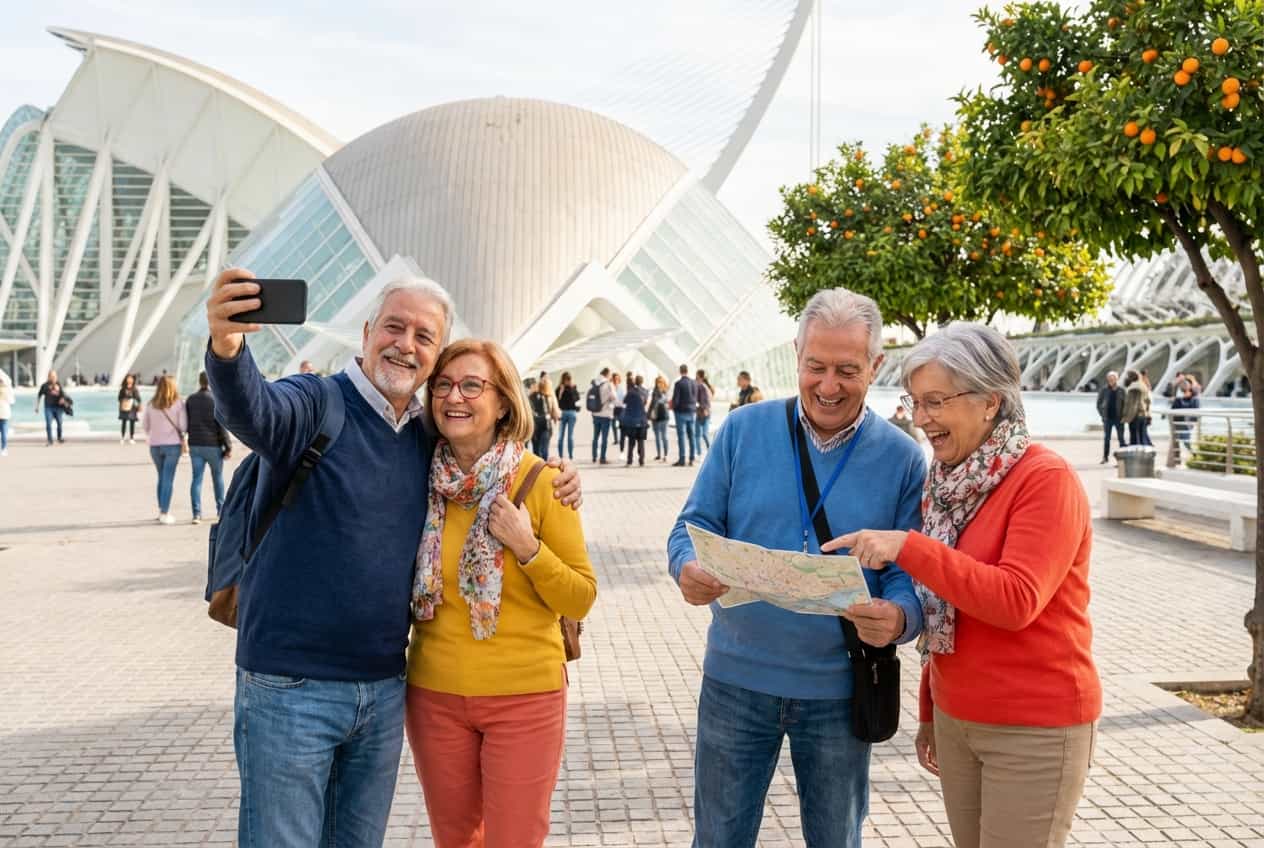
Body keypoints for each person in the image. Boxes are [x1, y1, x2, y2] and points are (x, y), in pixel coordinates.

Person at [203, 268, 583, 848]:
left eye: (424, 336)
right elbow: (255, 411)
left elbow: (490, 450)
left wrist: (558, 481)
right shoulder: (316, 403)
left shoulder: (428, 442)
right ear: (366, 332)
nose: (406, 344)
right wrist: (229, 348)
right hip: (290, 688)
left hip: (382, 692)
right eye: (395, 327)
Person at [667, 288, 925, 848]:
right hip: (736, 682)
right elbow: (690, 527)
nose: (828, 386)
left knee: (837, 840)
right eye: (815, 367)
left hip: (839, 689)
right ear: (796, 354)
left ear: (876, 365)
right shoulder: (742, 430)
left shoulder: (904, 458)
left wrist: (900, 616)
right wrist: (687, 567)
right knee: (717, 839)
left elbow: (911, 573)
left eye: (847, 370)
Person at [831, 322, 1100, 848]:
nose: (921, 418)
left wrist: (908, 547)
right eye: (915, 402)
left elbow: (1015, 599)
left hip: (1033, 728)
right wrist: (932, 710)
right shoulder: (947, 482)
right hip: (959, 720)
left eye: (936, 402)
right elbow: (942, 609)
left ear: (990, 403)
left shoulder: (1045, 479)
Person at [405, 339, 596, 848]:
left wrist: (528, 547)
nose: (455, 397)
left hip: (525, 698)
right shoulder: (417, 478)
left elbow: (580, 597)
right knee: (456, 840)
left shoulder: (544, 483)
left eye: (472, 385)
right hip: (434, 695)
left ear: (504, 402)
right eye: (443, 385)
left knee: (514, 839)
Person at [186, 371, 231, 524]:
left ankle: (196, 514)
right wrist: (228, 446)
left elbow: (187, 422)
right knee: (217, 478)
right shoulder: (216, 400)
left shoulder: (191, 399)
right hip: (213, 445)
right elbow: (222, 425)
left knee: (196, 479)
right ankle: (220, 511)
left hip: (195, 444)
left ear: (199, 382)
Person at [141, 375, 188, 525]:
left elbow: (145, 426)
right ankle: (164, 512)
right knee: (168, 478)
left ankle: (161, 509)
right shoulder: (178, 404)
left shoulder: (151, 404)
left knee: (161, 477)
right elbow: (183, 426)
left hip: (154, 446)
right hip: (172, 445)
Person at [1096, 371, 1125, 463]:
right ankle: (1105, 457)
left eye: (1113, 379)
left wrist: (1124, 416)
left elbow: (1126, 404)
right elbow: (1099, 404)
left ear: (1117, 379)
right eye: (1109, 379)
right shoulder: (1104, 390)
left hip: (1119, 419)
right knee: (1107, 439)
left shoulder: (1122, 390)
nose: (1111, 380)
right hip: (1107, 419)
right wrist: (1102, 414)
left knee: (1121, 438)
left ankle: (1122, 458)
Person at [670, 364, 697, 467]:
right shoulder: (694, 383)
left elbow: (676, 399)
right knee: (692, 436)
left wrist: (673, 408)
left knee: (681, 437)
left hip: (680, 412)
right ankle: (692, 459)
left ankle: (682, 459)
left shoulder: (678, 383)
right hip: (691, 412)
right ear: (687, 370)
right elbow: (695, 397)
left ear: (680, 371)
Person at [621, 375, 649, 466]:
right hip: (642, 420)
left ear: (635, 382)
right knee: (641, 441)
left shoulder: (630, 392)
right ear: (642, 381)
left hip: (632, 420)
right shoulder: (645, 391)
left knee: (631, 441)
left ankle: (629, 461)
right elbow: (645, 403)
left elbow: (624, 402)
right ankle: (641, 460)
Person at [36, 370, 70, 445]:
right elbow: (39, 396)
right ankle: (50, 440)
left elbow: (64, 395)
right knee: (48, 424)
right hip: (48, 408)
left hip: (58, 408)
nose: (53, 378)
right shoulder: (44, 386)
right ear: (48, 377)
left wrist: (63, 399)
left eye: (54, 376)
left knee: (59, 423)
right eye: (51, 376)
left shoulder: (59, 384)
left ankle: (59, 438)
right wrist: (37, 407)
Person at [529, 376, 559, 459]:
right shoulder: (549, 396)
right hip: (546, 425)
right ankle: (544, 467)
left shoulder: (532, 396)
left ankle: (538, 468)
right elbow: (555, 412)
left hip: (535, 426)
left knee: (536, 450)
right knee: (544, 449)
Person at [590, 368, 616, 464]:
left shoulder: (594, 382)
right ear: (607, 374)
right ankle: (602, 458)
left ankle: (594, 456)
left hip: (595, 413)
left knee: (595, 436)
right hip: (605, 414)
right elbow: (614, 397)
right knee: (604, 437)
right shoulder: (609, 384)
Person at [554, 372, 580, 460]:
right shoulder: (559, 389)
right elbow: (556, 402)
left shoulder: (573, 388)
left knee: (570, 436)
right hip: (562, 412)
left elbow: (577, 400)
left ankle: (571, 455)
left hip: (572, 413)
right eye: (567, 379)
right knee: (561, 436)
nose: (568, 381)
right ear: (563, 379)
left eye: (569, 379)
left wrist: (573, 389)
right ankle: (561, 455)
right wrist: (561, 392)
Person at [1122, 370, 1149, 448]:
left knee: (1135, 438)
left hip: (1135, 415)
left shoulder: (1133, 389)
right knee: (1142, 437)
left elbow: (1132, 404)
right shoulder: (1143, 386)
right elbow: (1148, 401)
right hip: (1143, 415)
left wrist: (1126, 416)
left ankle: (1137, 457)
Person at [694, 369, 714, 455]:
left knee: (699, 435)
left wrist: (699, 407)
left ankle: (700, 453)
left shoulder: (701, 386)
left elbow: (703, 401)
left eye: (696, 376)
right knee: (704, 434)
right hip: (706, 412)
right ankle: (711, 451)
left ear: (699, 377)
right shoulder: (707, 386)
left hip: (702, 413)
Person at [650, 375, 670, 462]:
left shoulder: (662, 392)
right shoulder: (658, 392)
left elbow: (655, 403)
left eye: (660, 382)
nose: (659, 384)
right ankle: (660, 454)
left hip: (662, 416)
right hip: (660, 416)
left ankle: (664, 455)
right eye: (658, 382)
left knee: (663, 436)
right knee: (658, 436)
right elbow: (654, 403)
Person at [118, 374, 143, 443]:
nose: (129, 380)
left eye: (131, 378)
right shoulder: (123, 389)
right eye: (128, 378)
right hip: (124, 407)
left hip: (132, 408)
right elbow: (119, 398)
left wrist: (139, 405)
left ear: (133, 380)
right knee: (124, 422)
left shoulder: (134, 389)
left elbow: (138, 398)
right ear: (126, 379)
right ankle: (122, 437)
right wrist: (124, 400)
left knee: (132, 422)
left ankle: (131, 438)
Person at [611, 371, 626, 450]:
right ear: (613, 379)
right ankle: (616, 439)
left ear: (619, 379)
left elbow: (624, 397)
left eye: (617, 378)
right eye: (615, 378)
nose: (616, 380)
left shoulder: (621, 387)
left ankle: (621, 439)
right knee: (613, 425)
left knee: (621, 425)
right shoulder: (611, 387)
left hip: (621, 408)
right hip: (613, 408)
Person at [0, 371, 12, 456]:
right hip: (5, 414)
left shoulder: (6, 391)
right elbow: (11, 401)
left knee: (4, 432)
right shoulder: (8, 390)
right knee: (4, 432)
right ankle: (4, 449)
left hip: (4, 413)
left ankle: (4, 448)